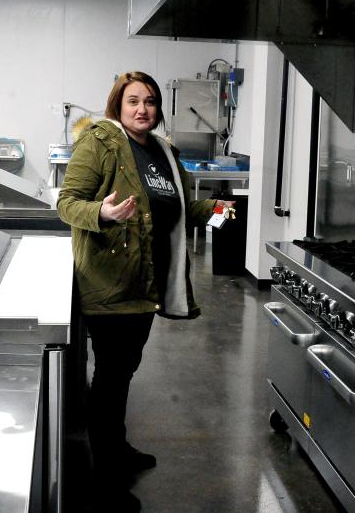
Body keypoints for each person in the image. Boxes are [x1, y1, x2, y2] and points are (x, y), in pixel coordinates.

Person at [57, 71, 234, 512]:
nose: (143, 109)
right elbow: (67, 203)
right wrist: (104, 212)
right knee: (112, 376)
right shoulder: (99, 142)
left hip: (148, 282)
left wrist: (212, 208)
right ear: (117, 104)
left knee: (123, 371)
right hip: (110, 280)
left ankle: (116, 448)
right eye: (133, 100)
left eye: (150, 101)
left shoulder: (163, 152)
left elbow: (173, 207)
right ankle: (105, 472)